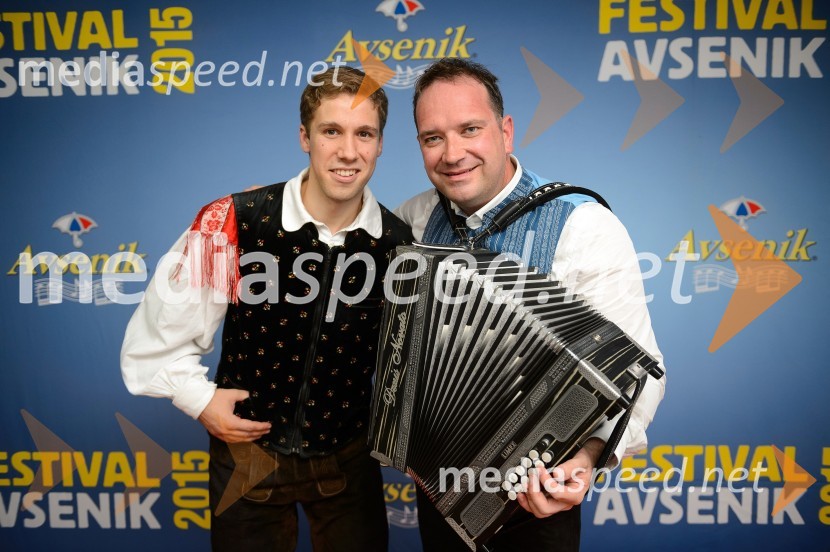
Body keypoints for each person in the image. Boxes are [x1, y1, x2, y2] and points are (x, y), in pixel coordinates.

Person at [121, 66, 412, 551]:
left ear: (380, 143)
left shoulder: (400, 244)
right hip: (247, 455)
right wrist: (198, 399)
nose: (348, 151)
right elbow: (153, 343)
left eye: (364, 133)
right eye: (331, 131)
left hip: (347, 457)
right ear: (305, 137)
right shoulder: (235, 219)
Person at [395, 58, 666, 551]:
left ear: (505, 131)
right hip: (437, 489)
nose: (452, 154)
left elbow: (637, 373)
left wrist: (588, 457)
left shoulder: (583, 227)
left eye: (470, 129)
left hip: (536, 501)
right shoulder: (414, 219)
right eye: (433, 138)